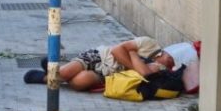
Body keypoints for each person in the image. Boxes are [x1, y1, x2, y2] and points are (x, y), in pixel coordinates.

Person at [24, 37, 175, 91]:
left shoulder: (159, 69)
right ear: (165, 52)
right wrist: (135, 63)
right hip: (100, 56)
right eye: (170, 57)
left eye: (172, 64)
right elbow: (116, 51)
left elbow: (145, 74)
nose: (170, 62)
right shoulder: (150, 44)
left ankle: (52, 74)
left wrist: (132, 52)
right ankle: (47, 76)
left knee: (79, 82)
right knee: (63, 75)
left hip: (106, 75)